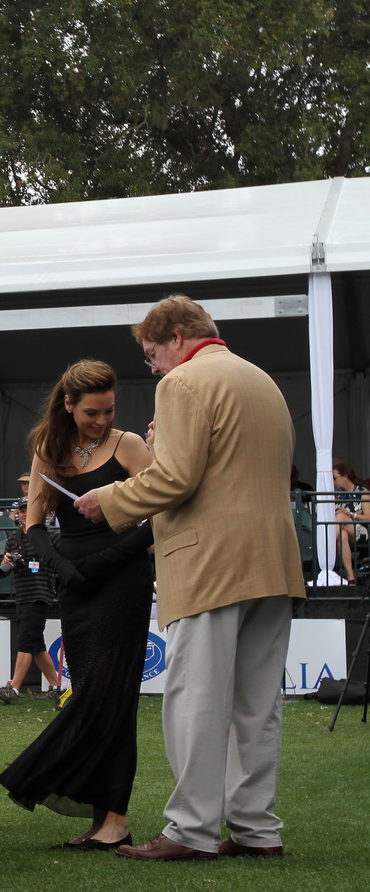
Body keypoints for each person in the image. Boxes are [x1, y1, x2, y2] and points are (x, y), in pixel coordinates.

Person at [74, 296, 305, 862]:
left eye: (153, 353)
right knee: (256, 703)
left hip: (210, 564)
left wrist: (109, 499)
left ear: (175, 336)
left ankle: (191, 830)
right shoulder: (261, 382)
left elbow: (176, 481)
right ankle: (256, 830)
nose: (152, 366)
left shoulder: (182, 385)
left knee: (195, 699)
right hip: (273, 561)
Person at [0, 359, 154, 850]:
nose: (102, 421)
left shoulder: (129, 445)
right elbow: (35, 523)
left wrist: (105, 561)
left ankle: (113, 815)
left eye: (109, 410)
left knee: (111, 698)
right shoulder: (50, 449)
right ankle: (103, 816)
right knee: (90, 690)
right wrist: (63, 569)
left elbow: (158, 515)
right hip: (75, 588)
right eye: (92, 413)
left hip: (122, 581)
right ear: (68, 405)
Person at [0, 499, 63, 706]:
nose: (23, 514)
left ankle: (14, 689)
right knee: (37, 645)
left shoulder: (51, 535)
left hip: (40, 594)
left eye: (28, 510)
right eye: (21, 511)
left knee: (25, 642)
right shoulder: (14, 538)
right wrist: (6, 561)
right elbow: (6, 568)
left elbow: (59, 560)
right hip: (22, 594)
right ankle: (57, 688)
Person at [331, 461, 369, 583]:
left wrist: (350, 514)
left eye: (335, 478)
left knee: (341, 515)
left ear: (345, 477)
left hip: (361, 530)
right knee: (342, 535)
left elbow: (368, 517)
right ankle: (350, 576)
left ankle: (327, 546)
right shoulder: (339, 496)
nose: (334, 481)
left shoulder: (362, 492)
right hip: (344, 529)